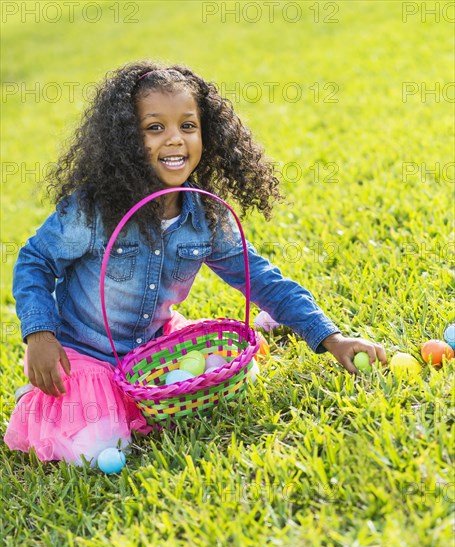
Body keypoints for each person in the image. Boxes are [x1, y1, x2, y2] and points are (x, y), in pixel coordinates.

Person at [4, 61, 387, 466]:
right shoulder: (95, 209)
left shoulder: (205, 216)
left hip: (152, 353)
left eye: (188, 126)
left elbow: (262, 279)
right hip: (85, 355)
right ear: (125, 140)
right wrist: (40, 335)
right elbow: (35, 260)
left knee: (232, 378)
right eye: (155, 128)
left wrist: (331, 338)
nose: (175, 140)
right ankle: (51, 403)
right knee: (95, 450)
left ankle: (274, 324)